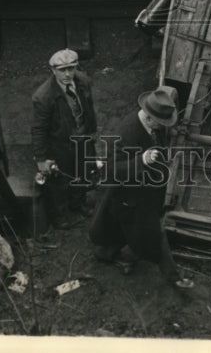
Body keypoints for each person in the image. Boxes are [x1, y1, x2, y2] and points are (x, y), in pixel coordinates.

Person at [88, 85, 193, 290]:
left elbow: (160, 135)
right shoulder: (125, 134)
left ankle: (105, 253)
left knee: (119, 229)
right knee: (153, 233)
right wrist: (141, 160)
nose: (163, 127)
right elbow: (110, 170)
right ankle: (174, 276)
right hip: (129, 196)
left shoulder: (151, 124)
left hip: (142, 190)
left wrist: (173, 131)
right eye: (162, 123)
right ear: (150, 118)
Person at [31, 48, 99, 244]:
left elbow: (88, 107)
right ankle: (60, 216)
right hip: (60, 145)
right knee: (58, 181)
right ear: (53, 70)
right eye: (62, 70)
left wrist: (92, 131)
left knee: (82, 172)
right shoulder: (43, 97)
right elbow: (38, 129)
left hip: (82, 138)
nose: (68, 74)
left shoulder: (82, 81)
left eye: (71, 68)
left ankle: (78, 203)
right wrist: (41, 158)